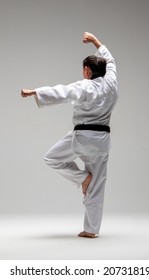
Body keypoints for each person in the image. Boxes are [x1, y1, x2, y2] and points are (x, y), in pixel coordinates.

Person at [21, 32, 118, 238]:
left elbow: (63, 91)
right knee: (98, 184)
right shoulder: (111, 84)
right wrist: (95, 41)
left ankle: (82, 179)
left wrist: (35, 92)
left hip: (82, 138)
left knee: (52, 158)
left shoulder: (85, 85)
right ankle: (91, 230)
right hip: (102, 142)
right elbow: (110, 60)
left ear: (87, 70)